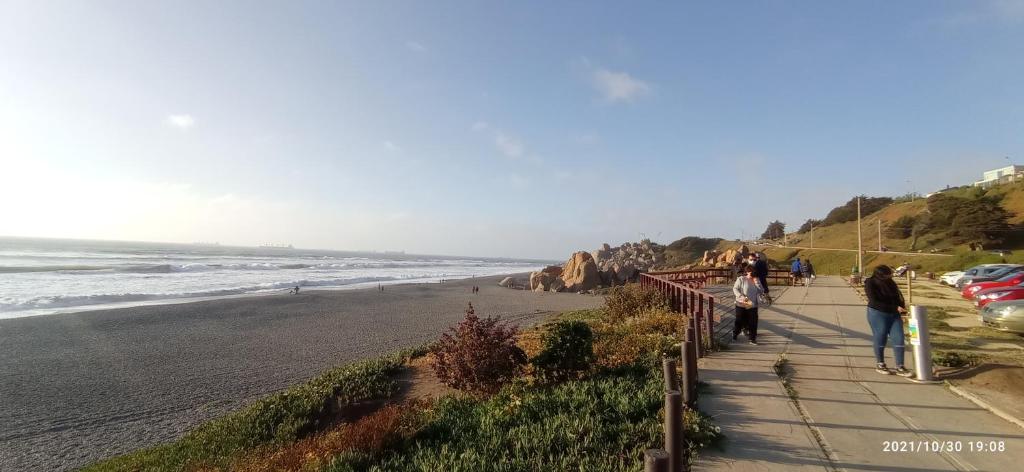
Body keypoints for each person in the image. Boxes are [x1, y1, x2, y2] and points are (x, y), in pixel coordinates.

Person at [864, 265, 913, 376]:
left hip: (894, 314)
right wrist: (894, 308)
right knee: (881, 336)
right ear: (880, 275)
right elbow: (874, 301)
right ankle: (880, 363)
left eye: (889, 275)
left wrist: (902, 309)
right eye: (887, 275)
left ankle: (900, 366)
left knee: (899, 338)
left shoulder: (891, 282)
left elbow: (898, 296)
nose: (889, 277)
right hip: (877, 313)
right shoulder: (870, 283)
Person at [733, 265, 765, 345]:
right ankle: (735, 333)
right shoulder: (741, 279)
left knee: (753, 322)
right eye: (752, 272)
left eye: (754, 271)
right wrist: (740, 296)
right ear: (747, 272)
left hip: (752, 304)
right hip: (742, 303)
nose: (753, 273)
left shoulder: (756, 280)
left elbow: (761, 291)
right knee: (739, 320)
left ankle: (752, 339)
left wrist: (757, 282)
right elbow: (735, 288)